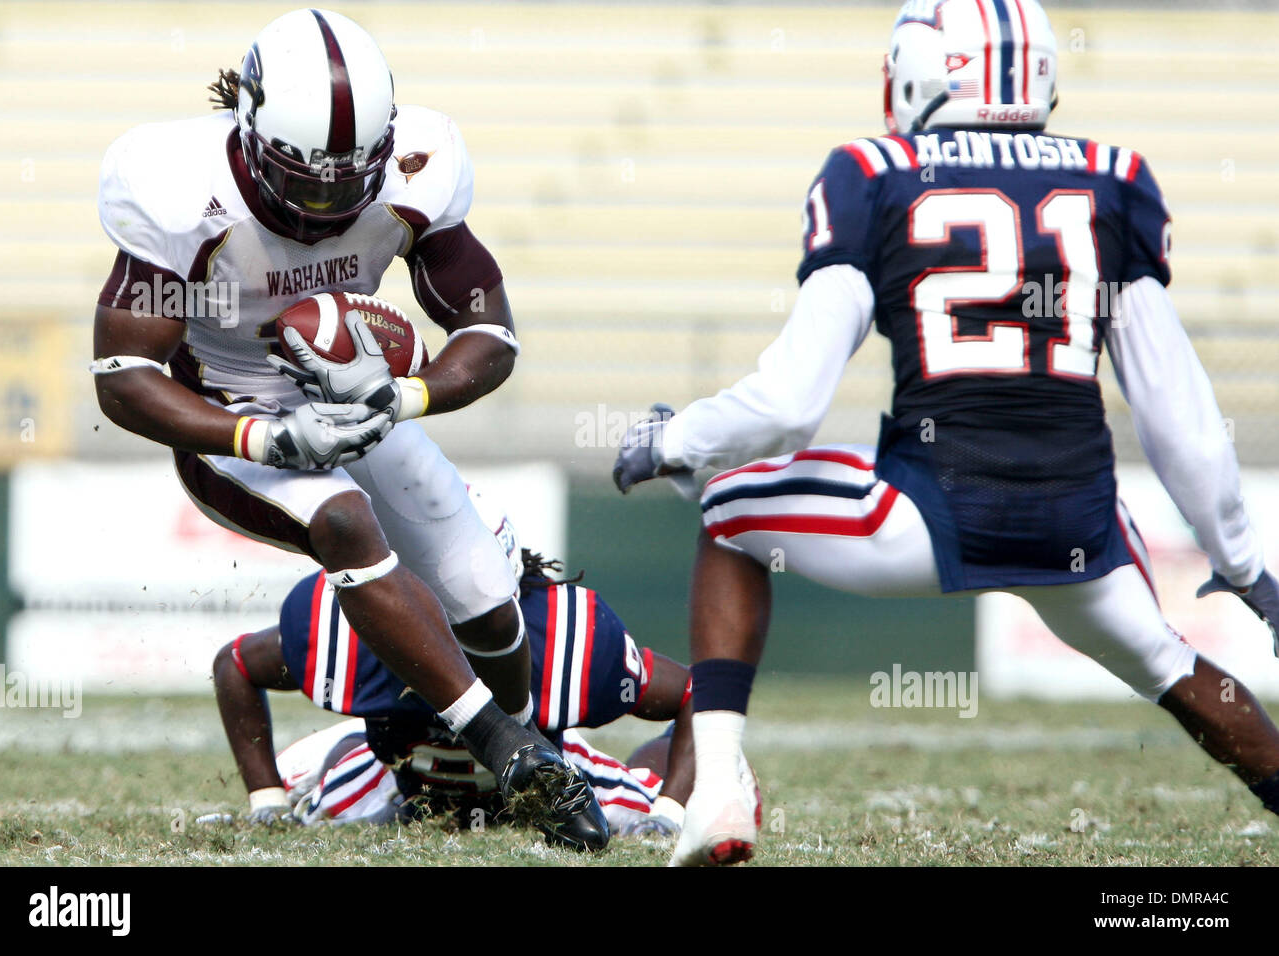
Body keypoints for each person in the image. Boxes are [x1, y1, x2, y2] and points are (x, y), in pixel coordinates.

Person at [614, 0, 1279, 866]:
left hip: (930, 512)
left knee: (730, 508)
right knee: (1171, 667)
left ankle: (718, 790)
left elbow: (787, 405)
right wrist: (1242, 564)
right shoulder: (1112, 178)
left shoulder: (873, 173)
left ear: (927, 71)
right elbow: (1180, 413)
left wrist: (679, 442)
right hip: (1077, 525)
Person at [93, 7, 605, 849]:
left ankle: (529, 764)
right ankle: (504, 747)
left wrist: (406, 398)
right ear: (251, 131)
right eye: (308, 176)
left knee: (485, 593)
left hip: (358, 397)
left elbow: (491, 334)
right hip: (233, 418)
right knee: (342, 522)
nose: (328, 197)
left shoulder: (417, 168)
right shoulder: (178, 187)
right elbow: (124, 379)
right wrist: (264, 441)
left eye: (348, 177)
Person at [214, 494, 712, 839]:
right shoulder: (342, 623)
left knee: (673, 803)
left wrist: (667, 812)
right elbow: (235, 663)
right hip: (397, 786)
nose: (452, 611)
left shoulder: (568, 641)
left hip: (551, 784)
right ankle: (330, 755)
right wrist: (267, 800)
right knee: (315, 793)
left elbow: (698, 692)